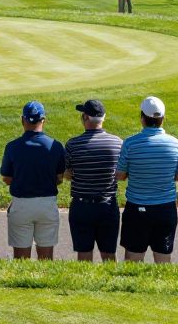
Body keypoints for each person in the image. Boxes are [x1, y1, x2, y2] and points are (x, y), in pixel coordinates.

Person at [117, 96, 178, 263]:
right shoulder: (175, 144)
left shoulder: (130, 144)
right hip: (165, 209)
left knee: (133, 260)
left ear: (142, 118)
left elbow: (120, 176)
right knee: (163, 260)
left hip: (137, 209)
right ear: (163, 119)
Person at [0, 101, 65, 260]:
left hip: (21, 204)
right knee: (46, 257)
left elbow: (7, 178)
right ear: (43, 120)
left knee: (21, 258)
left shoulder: (12, 147)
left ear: (23, 120)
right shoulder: (56, 146)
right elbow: (59, 178)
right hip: (47, 204)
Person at [64, 99, 122, 262]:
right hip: (108, 205)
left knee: (84, 254)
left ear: (85, 118)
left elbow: (67, 175)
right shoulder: (117, 143)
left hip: (82, 206)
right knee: (109, 254)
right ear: (103, 118)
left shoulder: (73, 144)